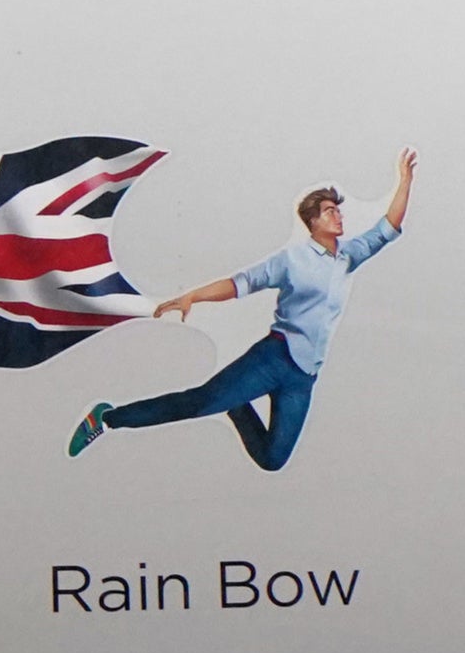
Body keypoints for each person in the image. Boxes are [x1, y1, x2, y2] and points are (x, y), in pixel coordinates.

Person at [70, 150, 416, 473]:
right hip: (273, 357)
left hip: (304, 376)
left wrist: (404, 181)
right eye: (330, 211)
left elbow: (387, 227)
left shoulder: (348, 255)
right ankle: (108, 418)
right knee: (199, 402)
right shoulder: (292, 260)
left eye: (338, 210)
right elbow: (241, 283)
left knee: (272, 459)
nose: (338, 215)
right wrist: (194, 296)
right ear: (313, 221)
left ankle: (235, 402)